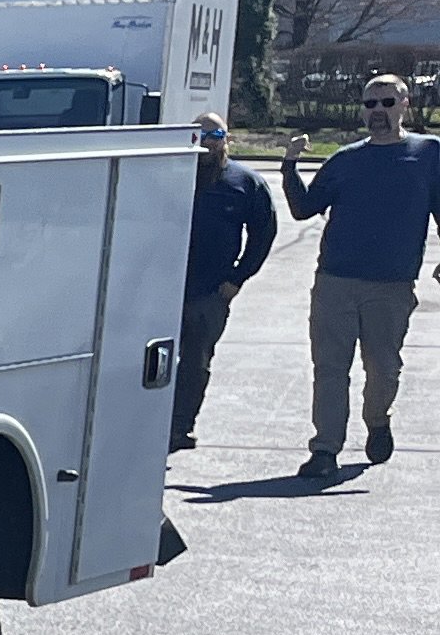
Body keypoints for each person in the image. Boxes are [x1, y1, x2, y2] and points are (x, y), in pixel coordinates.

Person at [280, 74, 440, 480]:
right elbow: (304, 209)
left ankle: (378, 419)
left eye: (386, 103)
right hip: (335, 281)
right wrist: (289, 164)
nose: (378, 112)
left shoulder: (427, 154)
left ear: (405, 103)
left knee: (383, 369)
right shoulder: (345, 160)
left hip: (391, 286)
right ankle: (325, 448)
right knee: (330, 368)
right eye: (370, 105)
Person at [179, 113, 277, 452]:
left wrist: (237, 278)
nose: (207, 141)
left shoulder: (245, 182)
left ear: (227, 138)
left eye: (215, 134)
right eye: (200, 134)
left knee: (195, 362)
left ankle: (181, 428)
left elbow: (264, 233)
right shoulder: (173, 175)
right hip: (162, 289)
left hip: (210, 291)